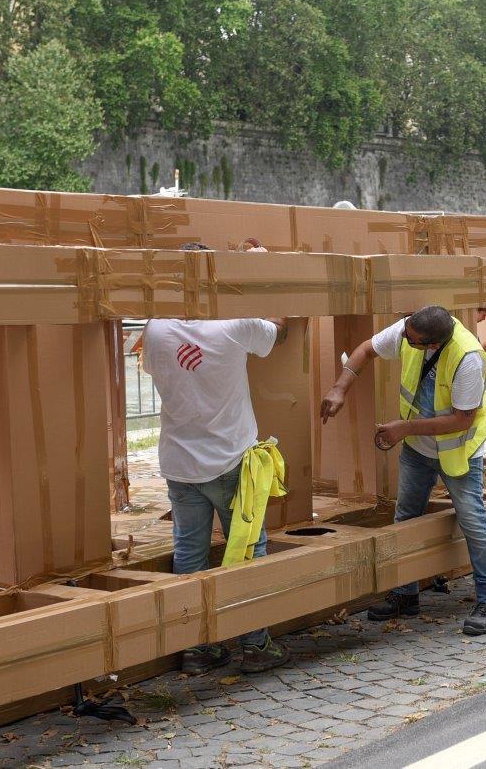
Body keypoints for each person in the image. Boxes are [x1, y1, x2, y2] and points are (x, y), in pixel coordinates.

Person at [142, 242, 292, 675]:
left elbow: (160, 369)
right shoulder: (234, 326)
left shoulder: (155, 329)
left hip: (179, 464)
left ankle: (196, 649)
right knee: (246, 550)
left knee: (188, 553)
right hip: (230, 462)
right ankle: (254, 644)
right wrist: (260, 270)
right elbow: (277, 330)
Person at [319, 305, 486, 636]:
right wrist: (340, 387)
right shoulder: (410, 328)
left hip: (457, 451)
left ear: (430, 344)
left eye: (411, 339)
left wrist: (404, 428)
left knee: (472, 521)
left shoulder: (468, 358)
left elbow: (462, 420)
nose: (402, 337)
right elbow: (364, 350)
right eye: (405, 332)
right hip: (419, 449)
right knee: (406, 516)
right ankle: (406, 594)